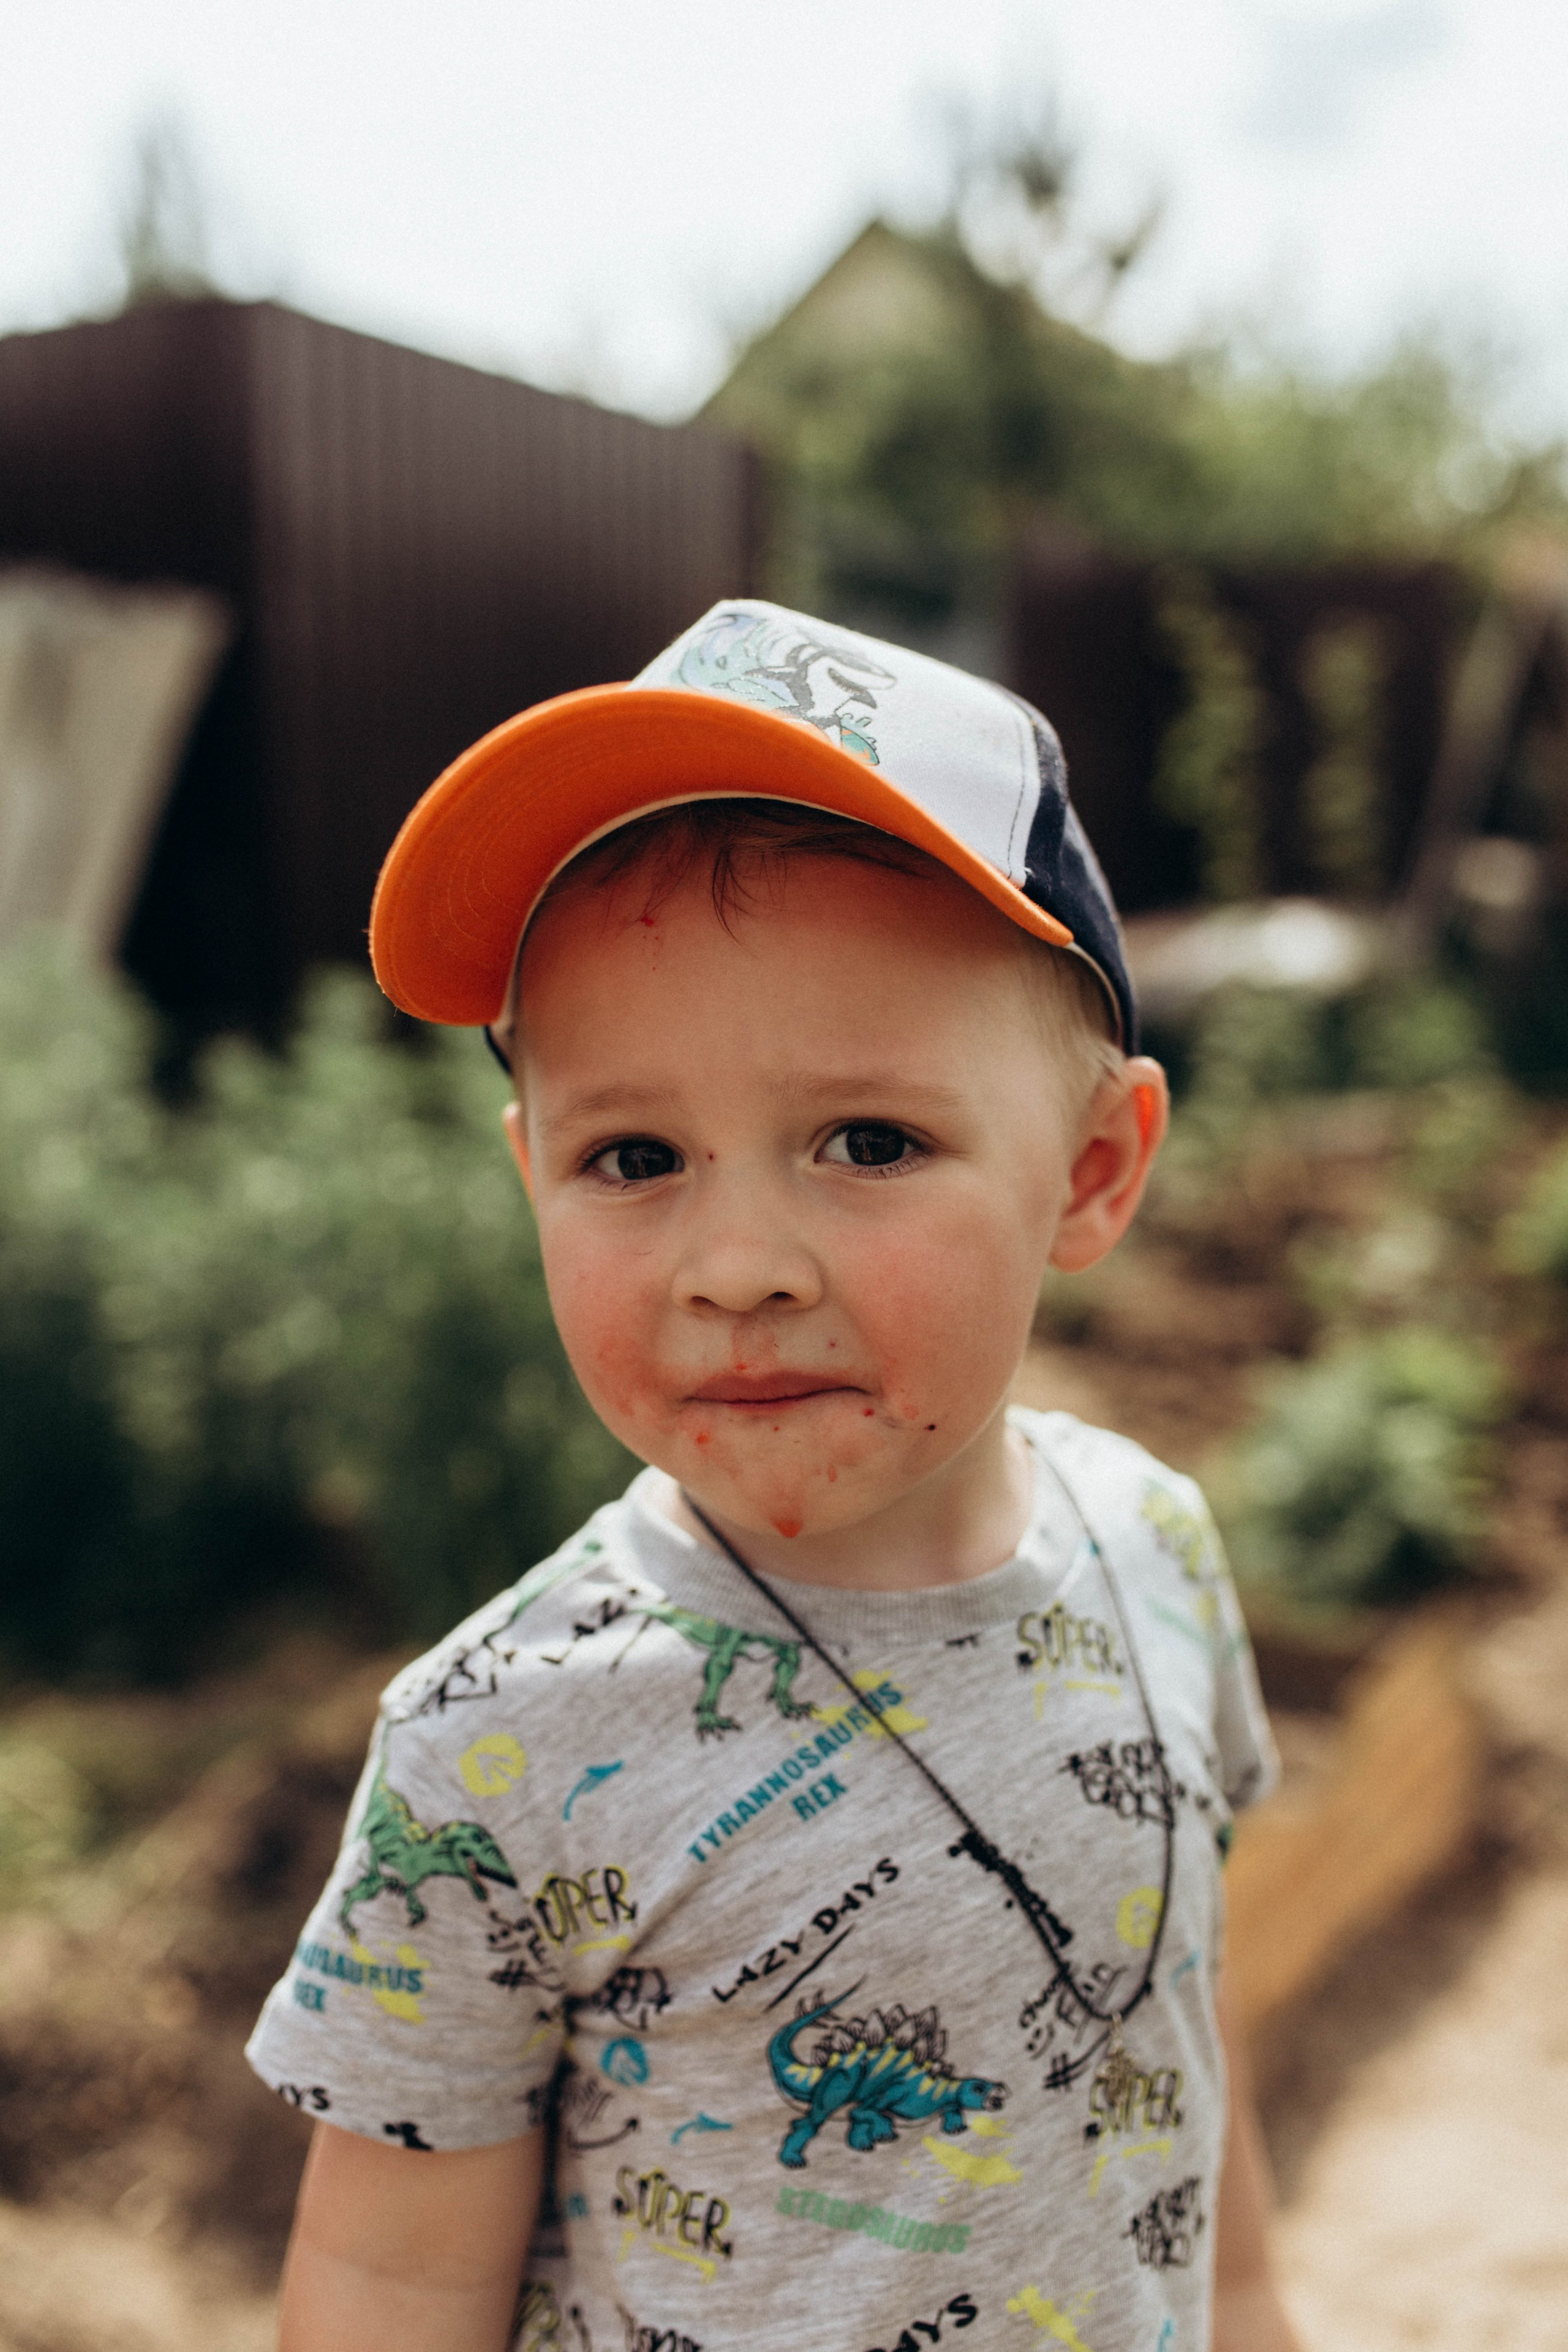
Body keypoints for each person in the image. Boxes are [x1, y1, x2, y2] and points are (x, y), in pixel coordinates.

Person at [249, 600, 1303, 2352]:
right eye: (634, 1154)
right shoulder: (500, 1743)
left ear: (1095, 1170)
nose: (736, 1264)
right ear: (532, 1181)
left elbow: (1177, 2030)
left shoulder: (1159, 1546)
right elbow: (383, 2284)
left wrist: (1257, 2314)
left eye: (869, 1142)